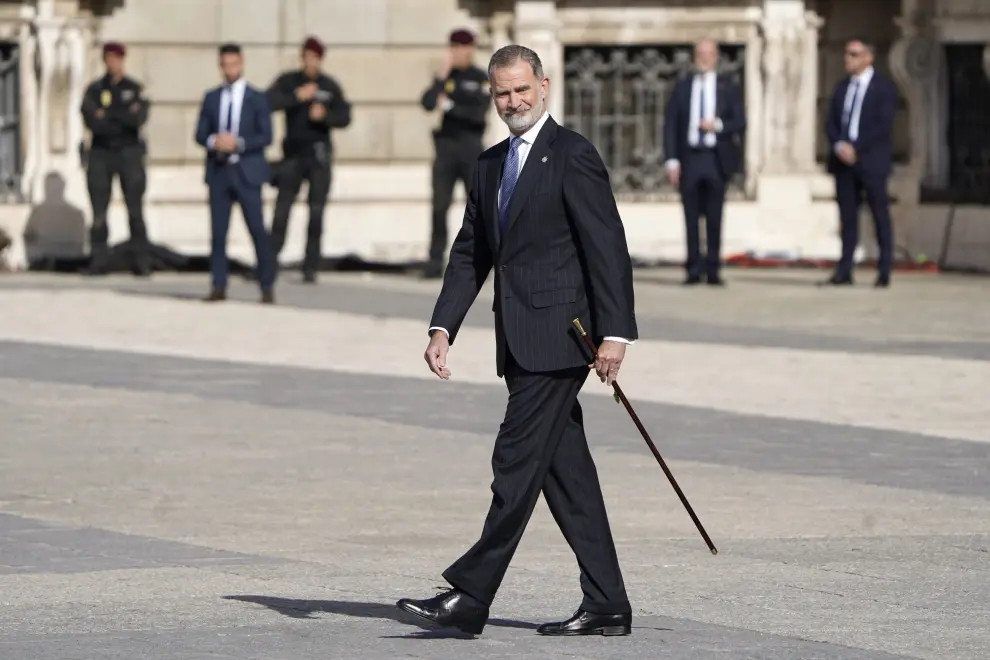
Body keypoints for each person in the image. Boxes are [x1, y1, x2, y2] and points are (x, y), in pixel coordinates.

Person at [396, 44, 637, 638]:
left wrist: (616, 333)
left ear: (544, 86)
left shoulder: (573, 155)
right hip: (519, 336)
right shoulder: (488, 164)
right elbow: (471, 253)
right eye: (503, 93)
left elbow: (607, 246)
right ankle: (607, 603)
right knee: (565, 476)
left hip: (562, 338)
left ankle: (471, 595)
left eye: (522, 90)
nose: (514, 101)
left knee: (514, 461)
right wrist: (442, 326)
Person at [194, 43, 277, 304]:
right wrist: (213, 141)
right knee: (218, 232)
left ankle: (266, 284)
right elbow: (199, 133)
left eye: (233, 64)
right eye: (224, 65)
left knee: (257, 230)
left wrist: (239, 143)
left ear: (241, 64)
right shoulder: (212, 97)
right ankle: (218, 284)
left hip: (246, 172)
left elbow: (266, 135)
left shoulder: (257, 97)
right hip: (219, 171)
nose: (228, 69)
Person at [267, 36, 352, 283]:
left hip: (319, 156)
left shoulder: (329, 85)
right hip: (293, 155)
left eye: (315, 58)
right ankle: (269, 262)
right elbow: (267, 102)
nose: (311, 62)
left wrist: (325, 116)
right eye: (307, 57)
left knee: (316, 212)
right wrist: (297, 97)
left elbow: (345, 116)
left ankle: (310, 265)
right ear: (302, 57)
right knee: (282, 210)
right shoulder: (289, 81)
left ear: (321, 59)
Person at [663, 37, 745, 286]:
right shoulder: (683, 86)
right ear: (694, 57)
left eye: (709, 53)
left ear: (717, 57)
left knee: (714, 216)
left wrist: (717, 125)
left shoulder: (727, 87)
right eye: (701, 53)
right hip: (690, 159)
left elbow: (740, 121)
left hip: (715, 159)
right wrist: (671, 160)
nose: (705, 58)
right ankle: (693, 269)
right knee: (690, 216)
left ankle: (713, 269)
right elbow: (671, 125)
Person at [822, 37, 898, 288]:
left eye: (854, 54)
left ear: (868, 57)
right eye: (847, 53)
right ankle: (845, 269)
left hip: (871, 161)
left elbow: (882, 125)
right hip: (844, 162)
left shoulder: (884, 88)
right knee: (848, 217)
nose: (848, 59)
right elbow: (831, 122)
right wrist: (839, 145)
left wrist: (858, 147)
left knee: (879, 214)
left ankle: (884, 268)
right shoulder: (842, 88)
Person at [419, 28, 491, 279]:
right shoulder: (446, 78)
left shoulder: (480, 78)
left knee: (476, 208)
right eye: (454, 48)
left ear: (471, 49)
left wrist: (451, 107)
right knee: (439, 206)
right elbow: (427, 102)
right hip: (446, 149)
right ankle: (434, 260)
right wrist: (441, 75)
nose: (458, 52)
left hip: (470, 148)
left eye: (463, 47)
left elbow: (478, 114)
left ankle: (479, 260)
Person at [80, 42, 151, 276]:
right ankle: (98, 260)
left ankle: (141, 261)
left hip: (129, 153)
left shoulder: (134, 88)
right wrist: (120, 114)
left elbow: (137, 119)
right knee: (99, 210)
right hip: (101, 153)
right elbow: (92, 120)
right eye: (108, 59)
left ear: (122, 60)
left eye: (116, 59)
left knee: (135, 209)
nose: (112, 63)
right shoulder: (95, 90)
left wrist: (108, 114)